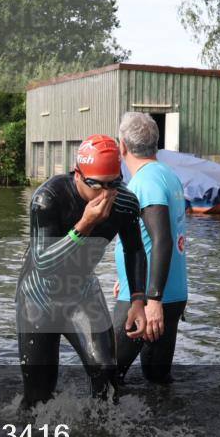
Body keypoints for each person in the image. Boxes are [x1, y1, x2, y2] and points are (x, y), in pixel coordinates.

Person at [16, 134, 148, 407]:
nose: (106, 194)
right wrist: (84, 225)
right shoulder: (48, 198)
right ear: (78, 175)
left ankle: (101, 436)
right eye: (98, 186)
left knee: (105, 369)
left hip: (81, 290)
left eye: (114, 184)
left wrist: (138, 299)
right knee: (39, 393)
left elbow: (135, 248)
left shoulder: (125, 203)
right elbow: (43, 263)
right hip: (39, 295)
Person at [112, 113, 189, 384]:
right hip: (172, 293)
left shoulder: (145, 181)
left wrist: (153, 300)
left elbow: (161, 239)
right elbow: (150, 237)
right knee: (156, 379)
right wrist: (124, 275)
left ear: (122, 146)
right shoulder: (168, 175)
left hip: (146, 300)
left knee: (105, 373)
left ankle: (96, 427)